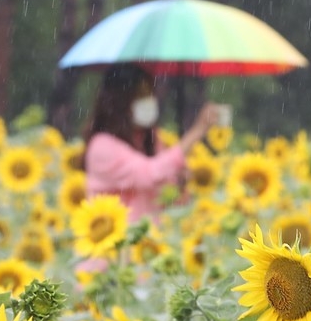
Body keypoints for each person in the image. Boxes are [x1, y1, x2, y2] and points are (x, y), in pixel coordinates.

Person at [83, 64, 219, 222]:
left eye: (150, 93)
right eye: (141, 95)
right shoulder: (102, 146)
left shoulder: (148, 139)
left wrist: (178, 181)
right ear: (119, 102)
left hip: (147, 241)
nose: (150, 101)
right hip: (114, 242)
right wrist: (197, 131)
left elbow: (164, 193)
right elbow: (148, 175)